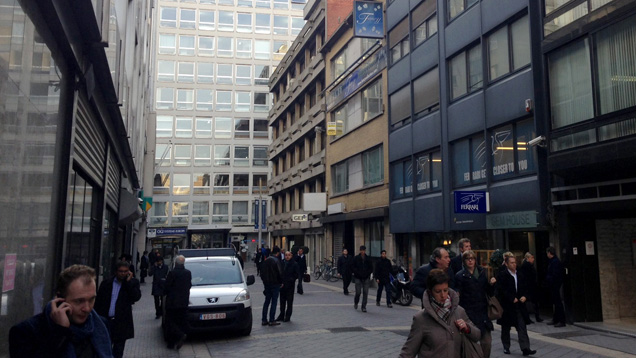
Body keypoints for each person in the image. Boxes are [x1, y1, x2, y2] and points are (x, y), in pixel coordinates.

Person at [9, 265, 113, 358]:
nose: (87, 308)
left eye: (91, 299)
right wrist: (60, 333)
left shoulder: (101, 325)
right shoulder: (26, 332)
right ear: (60, 299)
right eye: (79, 301)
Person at [399, 269, 480, 357]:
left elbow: (477, 335)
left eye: (445, 290)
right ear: (430, 292)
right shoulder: (421, 319)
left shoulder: (459, 311)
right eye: (438, 291)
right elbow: (408, 351)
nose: (443, 295)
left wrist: (467, 328)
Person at [94, 261, 142, 358]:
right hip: (106, 321)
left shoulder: (132, 283)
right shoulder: (106, 283)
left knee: (118, 351)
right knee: (104, 349)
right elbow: (98, 302)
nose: (123, 273)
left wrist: (128, 283)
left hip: (121, 323)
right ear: (116, 271)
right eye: (120, 271)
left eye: (125, 271)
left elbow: (136, 297)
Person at [455, 250, 496, 358]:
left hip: (483, 312)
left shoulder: (482, 272)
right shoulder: (460, 275)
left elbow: (488, 291)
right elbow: (458, 294)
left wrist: (491, 285)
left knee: (487, 342)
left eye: (472, 258)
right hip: (469, 312)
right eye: (467, 259)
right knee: (471, 343)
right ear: (464, 261)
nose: (470, 261)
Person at [496, 255, 537, 356]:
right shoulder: (502, 275)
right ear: (506, 264)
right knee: (506, 327)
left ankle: (525, 348)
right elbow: (500, 290)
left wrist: (525, 297)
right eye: (511, 263)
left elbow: (525, 288)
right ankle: (506, 346)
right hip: (507, 306)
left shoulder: (520, 274)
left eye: (515, 262)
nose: (514, 264)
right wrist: (510, 298)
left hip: (519, 305)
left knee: (521, 326)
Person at [164, 255, 192, 350]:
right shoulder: (188, 273)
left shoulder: (172, 273)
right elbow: (189, 285)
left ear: (175, 263)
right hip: (183, 302)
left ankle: (177, 337)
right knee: (180, 321)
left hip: (172, 303)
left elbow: (167, 287)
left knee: (171, 322)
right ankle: (176, 340)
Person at [261, 246, 283, 326]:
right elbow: (280, 273)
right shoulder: (276, 261)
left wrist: (264, 282)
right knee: (274, 302)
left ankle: (264, 319)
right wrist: (281, 282)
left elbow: (262, 273)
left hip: (267, 284)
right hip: (275, 284)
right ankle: (271, 319)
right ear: (277, 253)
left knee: (267, 301)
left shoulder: (266, 260)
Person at [519, 252, 542, 323]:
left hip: (529, 286)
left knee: (531, 302)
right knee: (533, 302)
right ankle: (534, 317)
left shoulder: (526, 265)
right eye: (532, 258)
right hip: (530, 287)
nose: (533, 259)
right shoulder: (528, 266)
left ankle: (532, 317)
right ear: (528, 258)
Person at [546, 247, 566, 327]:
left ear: (550, 253)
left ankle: (561, 320)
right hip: (554, 284)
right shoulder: (554, 261)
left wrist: (549, 279)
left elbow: (555, 274)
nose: (547, 255)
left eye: (547, 253)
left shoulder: (555, 262)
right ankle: (556, 319)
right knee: (556, 302)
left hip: (555, 285)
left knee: (558, 302)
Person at [276, 251, 299, 322]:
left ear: (291, 256)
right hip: (282, 285)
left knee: (289, 302)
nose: (287, 256)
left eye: (289, 255)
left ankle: (288, 316)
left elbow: (297, 274)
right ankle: (281, 315)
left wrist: (291, 279)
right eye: (286, 255)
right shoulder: (282, 263)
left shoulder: (294, 264)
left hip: (290, 286)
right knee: (282, 302)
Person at [352, 245, 374, 312]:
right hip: (358, 277)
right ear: (360, 250)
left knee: (365, 292)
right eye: (361, 250)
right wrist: (357, 273)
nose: (363, 252)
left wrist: (368, 273)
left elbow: (371, 268)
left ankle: (363, 306)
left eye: (364, 250)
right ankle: (356, 302)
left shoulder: (368, 258)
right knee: (358, 292)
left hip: (366, 277)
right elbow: (353, 267)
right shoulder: (356, 258)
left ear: (365, 251)